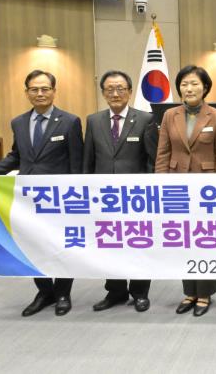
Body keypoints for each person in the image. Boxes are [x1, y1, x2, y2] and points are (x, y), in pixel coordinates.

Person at [0, 69, 83, 316]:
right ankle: (45, 292)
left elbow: (77, 163)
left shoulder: (70, 121)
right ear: (26, 92)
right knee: (32, 245)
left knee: (61, 245)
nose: (40, 93)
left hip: (60, 199)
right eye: (34, 89)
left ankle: (63, 293)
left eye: (45, 89)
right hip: (28, 199)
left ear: (54, 91)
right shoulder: (18, 122)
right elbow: (15, 157)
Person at [155, 65, 216, 316]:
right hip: (177, 187)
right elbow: (163, 153)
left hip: (207, 188)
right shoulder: (169, 115)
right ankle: (189, 292)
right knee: (184, 240)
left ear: (205, 87)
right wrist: (161, 185)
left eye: (194, 83)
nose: (189, 88)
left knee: (204, 239)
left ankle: (205, 293)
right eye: (184, 84)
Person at [83, 70, 157, 313]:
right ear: (103, 93)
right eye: (110, 89)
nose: (115, 94)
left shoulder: (145, 119)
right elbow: (88, 160)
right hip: (103, 198)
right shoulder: (93, 121)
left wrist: (149, 193)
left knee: (138, 245)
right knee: (109, 245)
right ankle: (115, 291)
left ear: (130, 91)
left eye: (120, 89)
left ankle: (140, 292)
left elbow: (152, 161)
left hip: (137, 198)